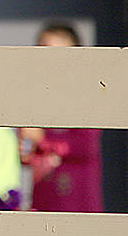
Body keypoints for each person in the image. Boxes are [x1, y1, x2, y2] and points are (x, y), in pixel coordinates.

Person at [19, 21, 103, 212]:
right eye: (44, 53)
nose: (52, 62)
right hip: (43, 204)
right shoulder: (33, 96)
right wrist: (26, 149)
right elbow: (25, 156)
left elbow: (85, 145)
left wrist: (41, 139)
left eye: (60, 54)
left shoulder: (86, 93)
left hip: (79, 207)